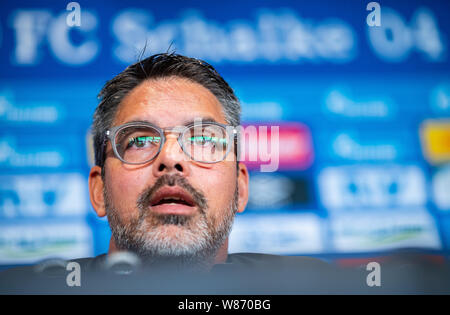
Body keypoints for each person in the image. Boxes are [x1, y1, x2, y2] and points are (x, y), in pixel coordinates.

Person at [1, 53, 335, 294]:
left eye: (203, 139)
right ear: (99, 191)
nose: (171, 158)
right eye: (140, 140)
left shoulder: (317, 287)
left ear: (241, 189)